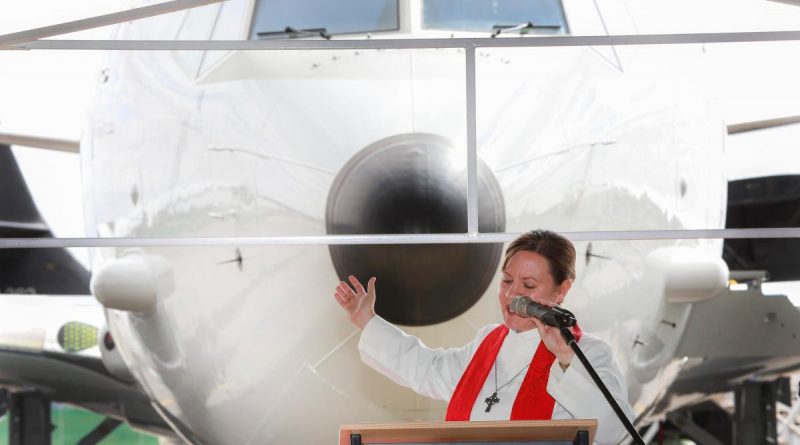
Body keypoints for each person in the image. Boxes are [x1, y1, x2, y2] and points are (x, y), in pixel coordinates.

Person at [334, 229, 634, 445]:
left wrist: (566, 359)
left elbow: (614, 432)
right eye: (506, 281)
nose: (512, 294)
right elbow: (428, 368)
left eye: (528, 285)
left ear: (562, 290)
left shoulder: (588, 353)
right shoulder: (488, 342)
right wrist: (367, 320)